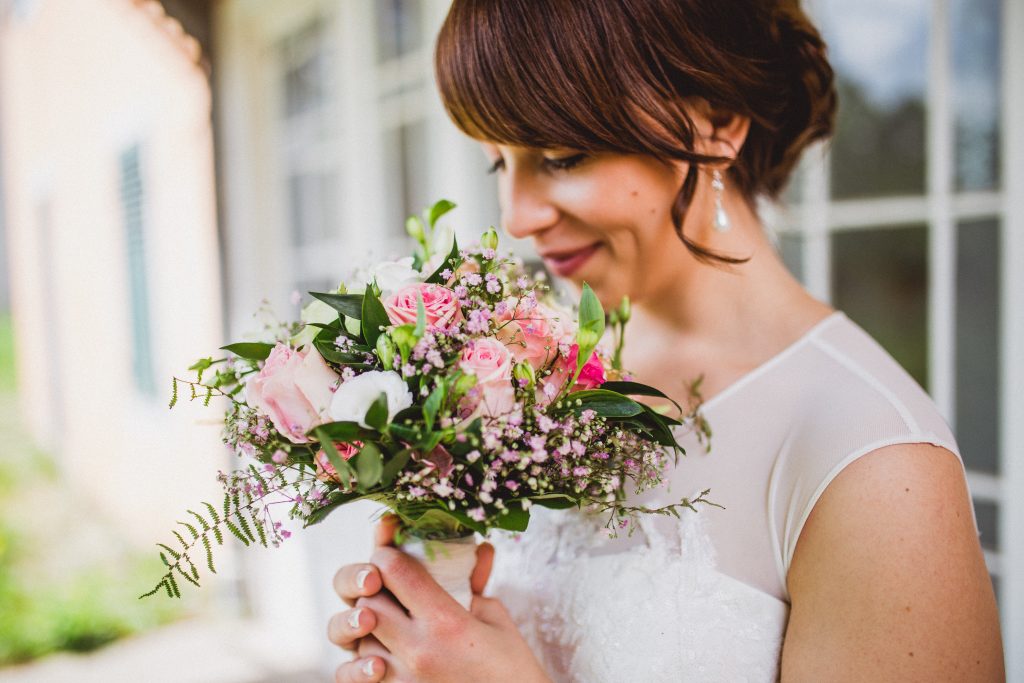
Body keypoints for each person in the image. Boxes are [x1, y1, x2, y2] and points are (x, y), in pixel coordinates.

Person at [327, 1, 1005, 680]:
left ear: (715, 124)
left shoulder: (874, 458)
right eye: (497, 164)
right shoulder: (522, 379)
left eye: (562, 155)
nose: (517, 216)